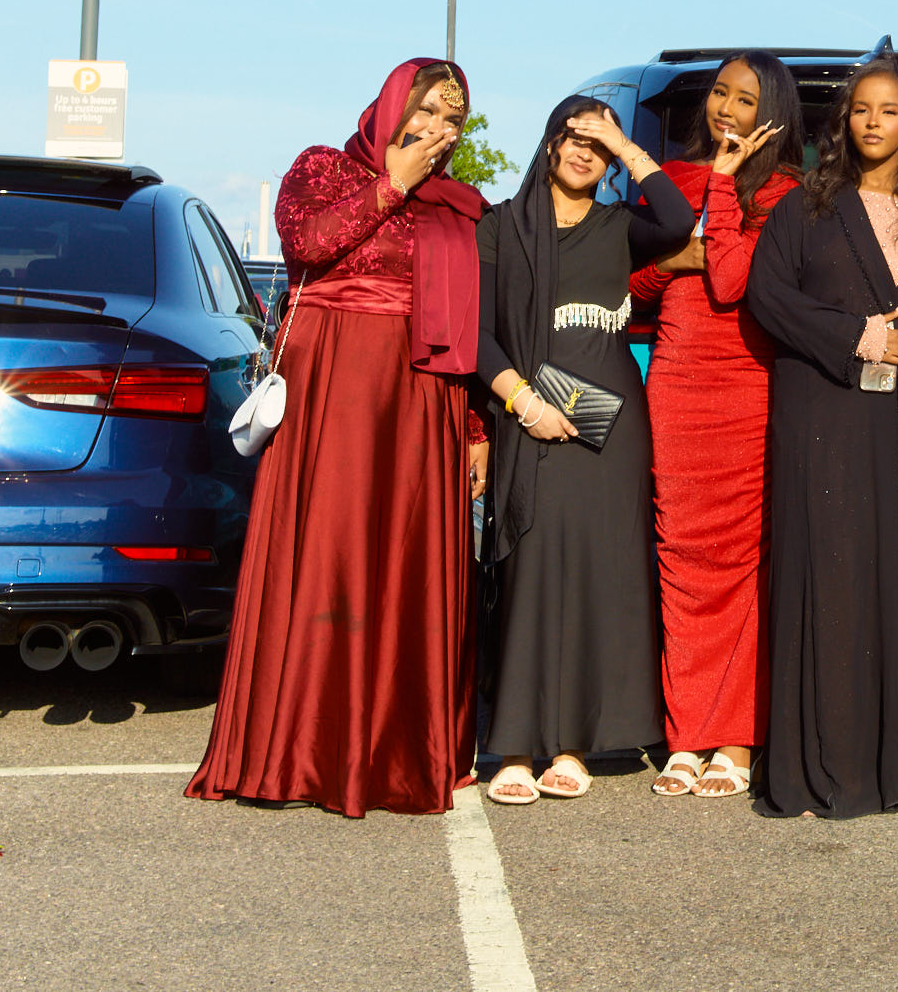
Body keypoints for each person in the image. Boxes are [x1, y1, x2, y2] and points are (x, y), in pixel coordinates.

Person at [189, 59, 486, 817]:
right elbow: (307, 244)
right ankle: (300, 748)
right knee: (327, 551)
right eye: (427, 110)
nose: (440, 129)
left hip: (423, 399)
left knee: (404, 559)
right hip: (335, 389)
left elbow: (468, 320)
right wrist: (393, 183)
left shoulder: (460, 205)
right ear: (392, 106)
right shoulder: (323, 167)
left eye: (453, 119)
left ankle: (395, 750)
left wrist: (476, 427)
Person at [744, 52, 898, 818]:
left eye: (889, 110)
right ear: (844, 122)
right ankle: (819, 771)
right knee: (829, 584)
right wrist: (856, 335)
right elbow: (766, 298)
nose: (873, 122)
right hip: (823, 424)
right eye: (861, 110)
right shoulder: (805, 211)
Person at [473, 97, 694, 805]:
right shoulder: (500, 226)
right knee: (531, 570)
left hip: (611, 426)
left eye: (598, 144)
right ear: (548, 145)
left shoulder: (620, 226)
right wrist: (524, 403)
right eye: (574, 136)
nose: (583, 151)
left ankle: (574, 746)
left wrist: (628, 149)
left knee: (601, 574)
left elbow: (679, 221)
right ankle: (514, 746)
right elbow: (477, 333)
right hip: (526, 413)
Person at [629, 53, 804, 802]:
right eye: (720, 94)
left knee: (743, 563)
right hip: (676, 381)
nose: (726, 109)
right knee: (682, 558)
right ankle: (687, 733)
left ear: (775, 113)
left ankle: (736, 736)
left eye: (746, 99)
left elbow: (733, 280)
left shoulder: (788, 193)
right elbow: (631, 282)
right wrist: (679, 257)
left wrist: (725, 187)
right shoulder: (672, 179)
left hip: (748, 386)